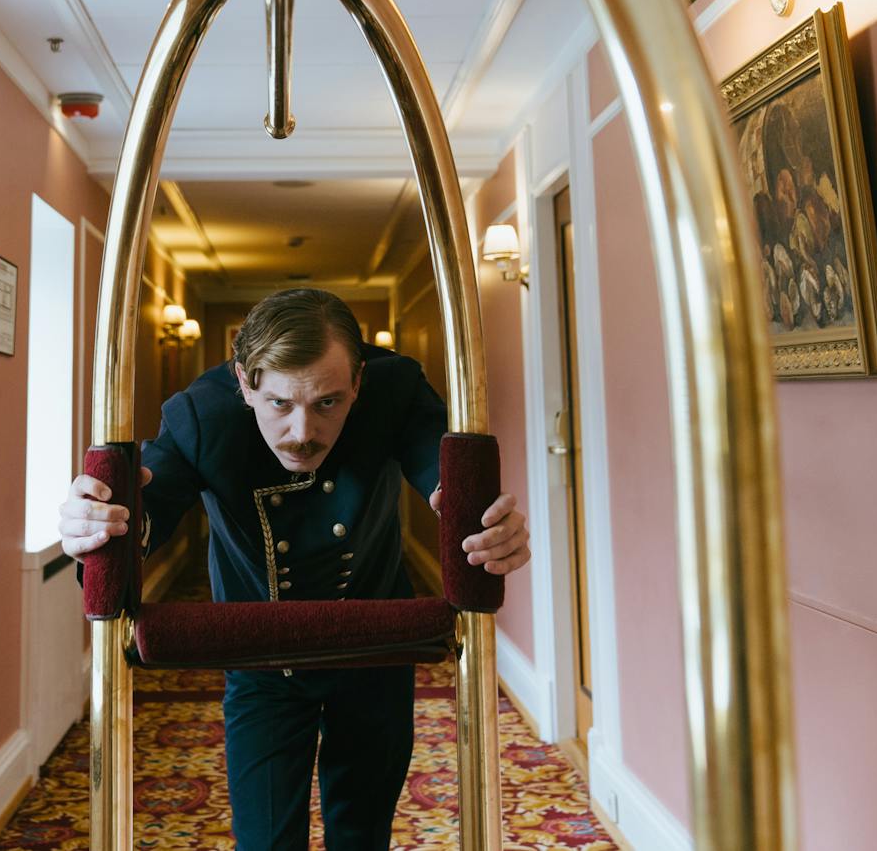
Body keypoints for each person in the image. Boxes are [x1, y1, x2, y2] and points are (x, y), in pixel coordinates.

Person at [58, 287, 530, 851]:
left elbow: (446, 476)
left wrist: (482, 526)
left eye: (328, 402)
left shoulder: (395, 390)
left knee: (362, 835)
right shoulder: (201, 417)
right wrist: (97, 525)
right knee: (265, 841)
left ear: (358, 384)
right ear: (244, 382)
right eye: (281, 403)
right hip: (261, 659)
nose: (302, 432)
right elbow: (147, 505)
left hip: (376, 648)